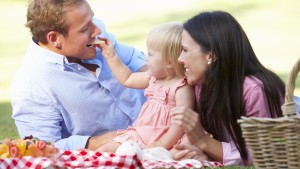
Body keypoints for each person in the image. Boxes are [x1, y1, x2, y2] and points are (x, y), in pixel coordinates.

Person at [11, 0, 147, 151]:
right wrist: (100, 141)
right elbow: (42, 147)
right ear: (54, 39)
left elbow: (132, 58)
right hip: (120, 151)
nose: (97, 31)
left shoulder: (94, 34)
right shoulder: (31, 86)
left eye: (92, 20)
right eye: (84, 29)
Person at [170, 11, 285, 165]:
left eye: (185, 50)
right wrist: (199, 151)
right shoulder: (201, 85)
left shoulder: (254, 90)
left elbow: (263, 154)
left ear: (211, 56)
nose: (180, 59)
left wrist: (203, 141)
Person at [96, 22, 195, 154]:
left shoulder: (181, 88)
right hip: (141, 135)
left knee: (173, 154)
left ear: (170, 62)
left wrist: (163, 144)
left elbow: (181, 124)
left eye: (150, 54)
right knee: (105, 150)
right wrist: (111, 57)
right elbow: (128, 78)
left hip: (168, 140)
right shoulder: (152, 77)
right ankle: (86, 159)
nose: (145, 57)